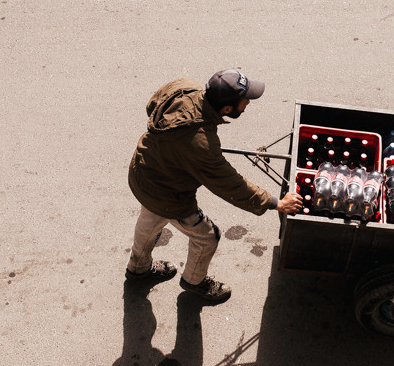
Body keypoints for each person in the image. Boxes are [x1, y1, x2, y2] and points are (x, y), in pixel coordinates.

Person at [126, 69, 304, 304]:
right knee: (208, 236)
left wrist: (172, 149)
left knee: (149, 219)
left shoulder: (184, 87)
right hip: (168, 193)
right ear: (227, 109)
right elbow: (229, 184)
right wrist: (275, 202)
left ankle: (138, 268)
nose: (248, 102)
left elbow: (153, 106)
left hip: (142, 171)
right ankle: (194, 281)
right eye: (245, 100)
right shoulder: (201, 145)